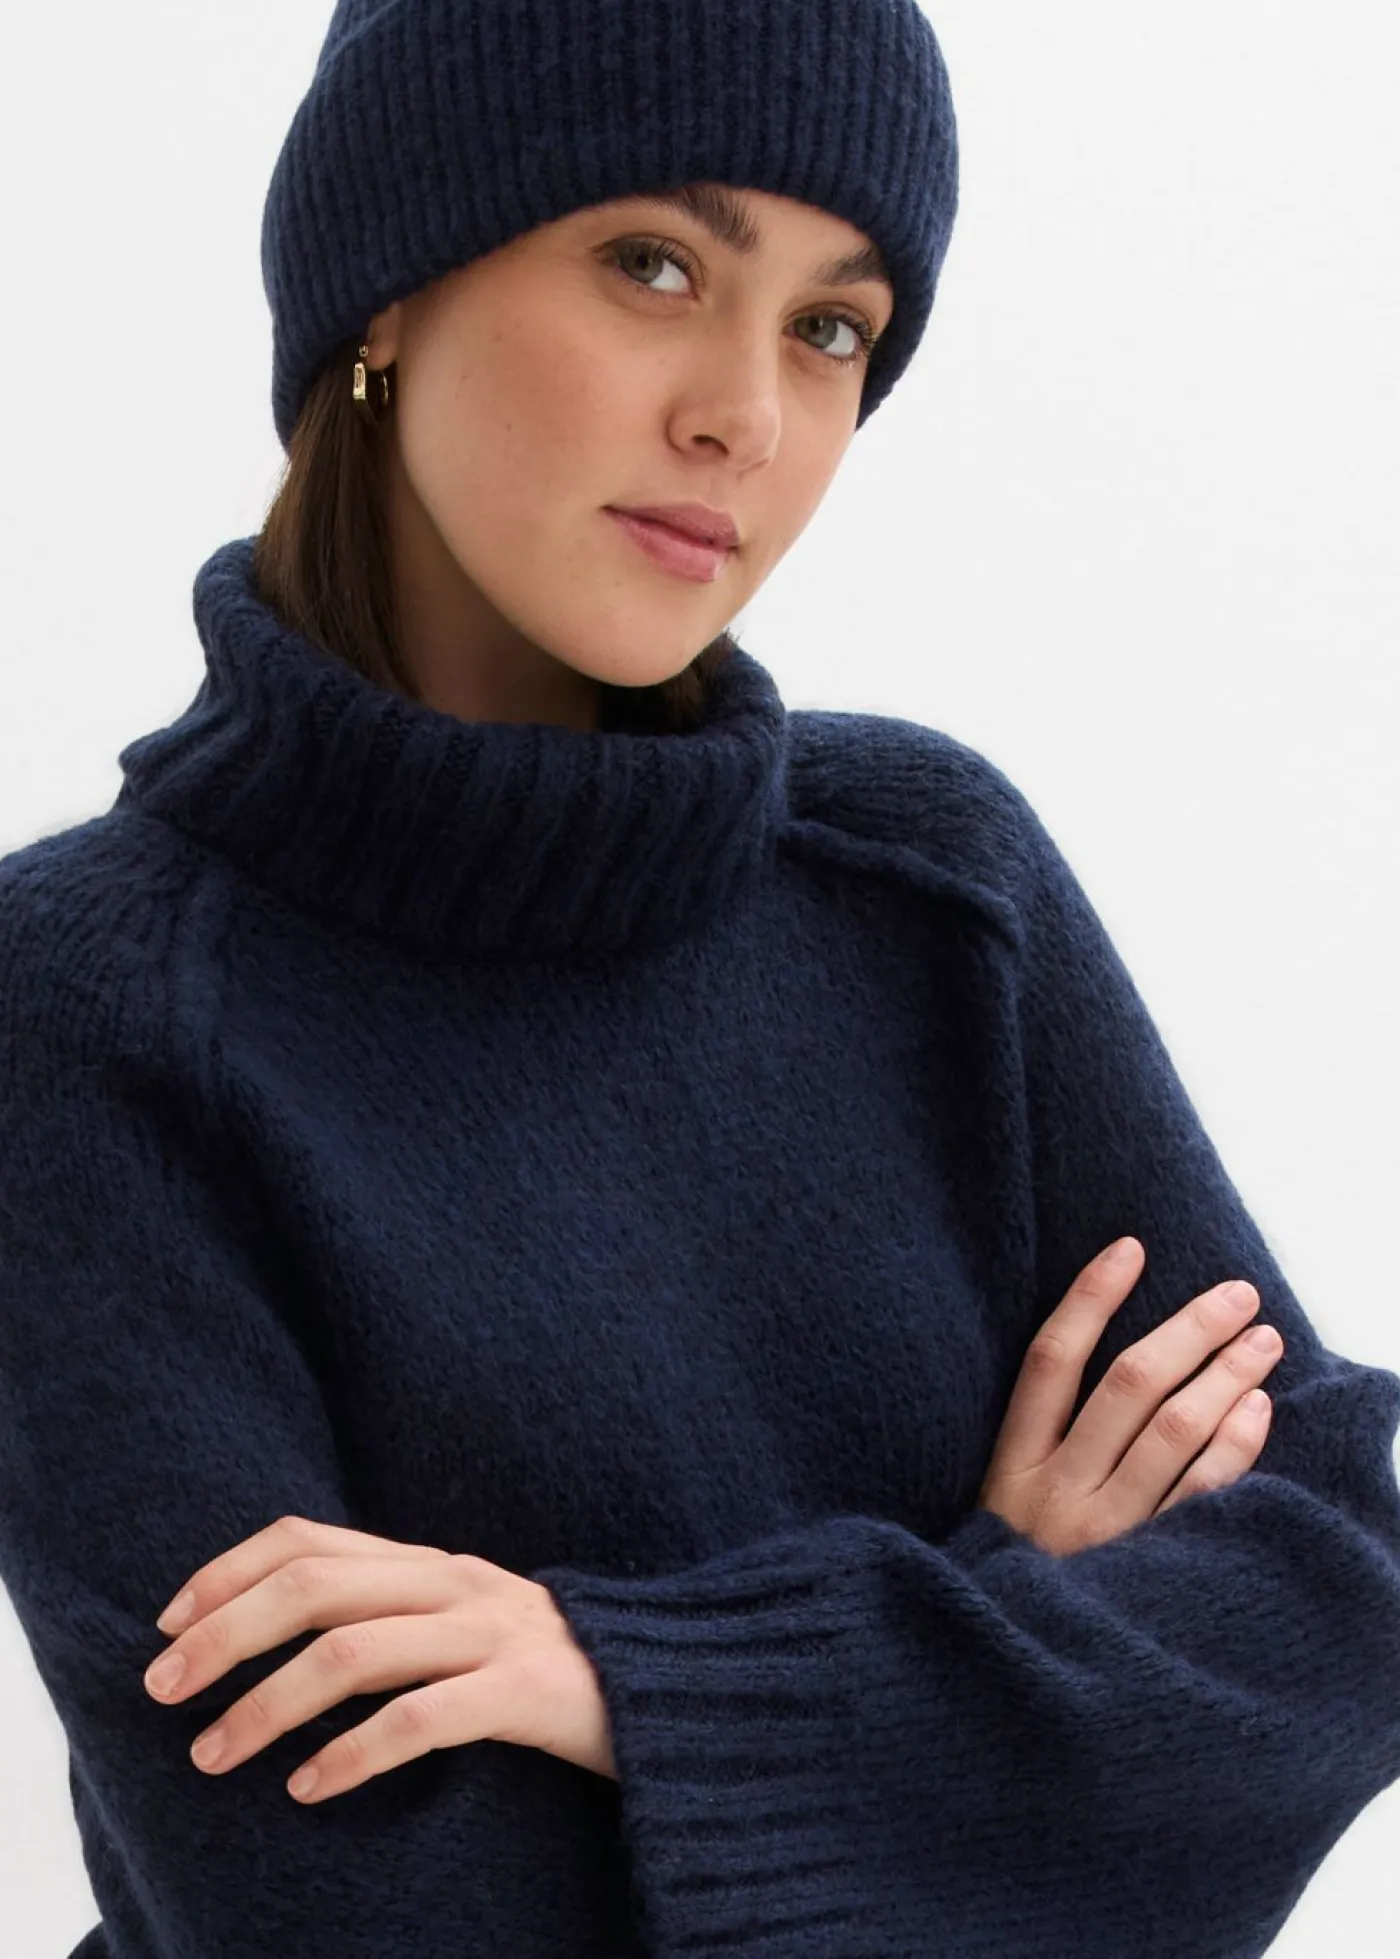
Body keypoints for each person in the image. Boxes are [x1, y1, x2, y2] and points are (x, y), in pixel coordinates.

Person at [2, 2, 1398, 1955]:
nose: (748, 413)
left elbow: (1338, 1589)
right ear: (385, 288)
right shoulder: (83, 1007)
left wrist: (625, 1682)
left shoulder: (931, 878)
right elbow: (358, 1915)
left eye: (830, 326)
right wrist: (1020, 1633)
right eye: (654, 264)